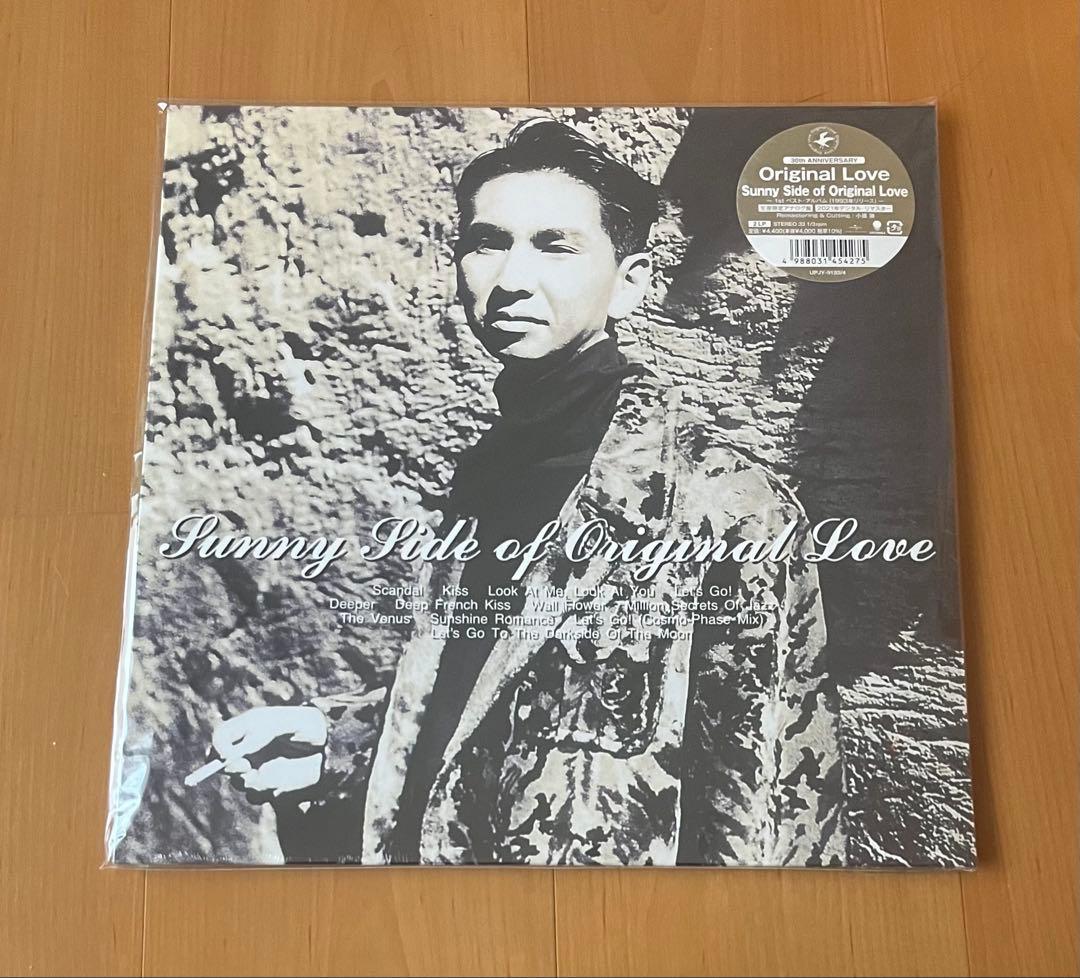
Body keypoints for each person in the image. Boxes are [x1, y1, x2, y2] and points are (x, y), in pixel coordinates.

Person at [210, 119, 845, 866]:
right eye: (487, 243)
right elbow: (479, 695)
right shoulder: (488, 474)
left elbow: (764, 810)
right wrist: (335, 742)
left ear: (630, 283)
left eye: (555, 245)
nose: (511, 280)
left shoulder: (728, 508)